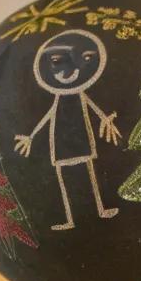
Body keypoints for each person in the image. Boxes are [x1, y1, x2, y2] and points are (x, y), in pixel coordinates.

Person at [14, 29, 120, 230]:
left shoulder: (78, 94)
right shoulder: (59, 97)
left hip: (80, 134)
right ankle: (70, 219)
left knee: (88, 172)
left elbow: (92, 106)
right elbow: (49, 115)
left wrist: (105, 119)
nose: (66, 71)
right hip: (61, 138)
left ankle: (100, 209)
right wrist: (31, 136)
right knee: (64, 177)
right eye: (56, 63)